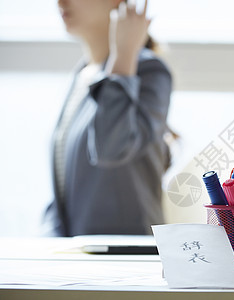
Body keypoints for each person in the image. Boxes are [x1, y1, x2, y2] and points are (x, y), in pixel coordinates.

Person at [43, 0, 172, 236]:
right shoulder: (81, 76)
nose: (60, 2)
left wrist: (124, 56)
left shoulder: (149, 69)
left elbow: (111, 148)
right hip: (78, 257)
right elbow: (64, 186)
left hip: (125, 257)